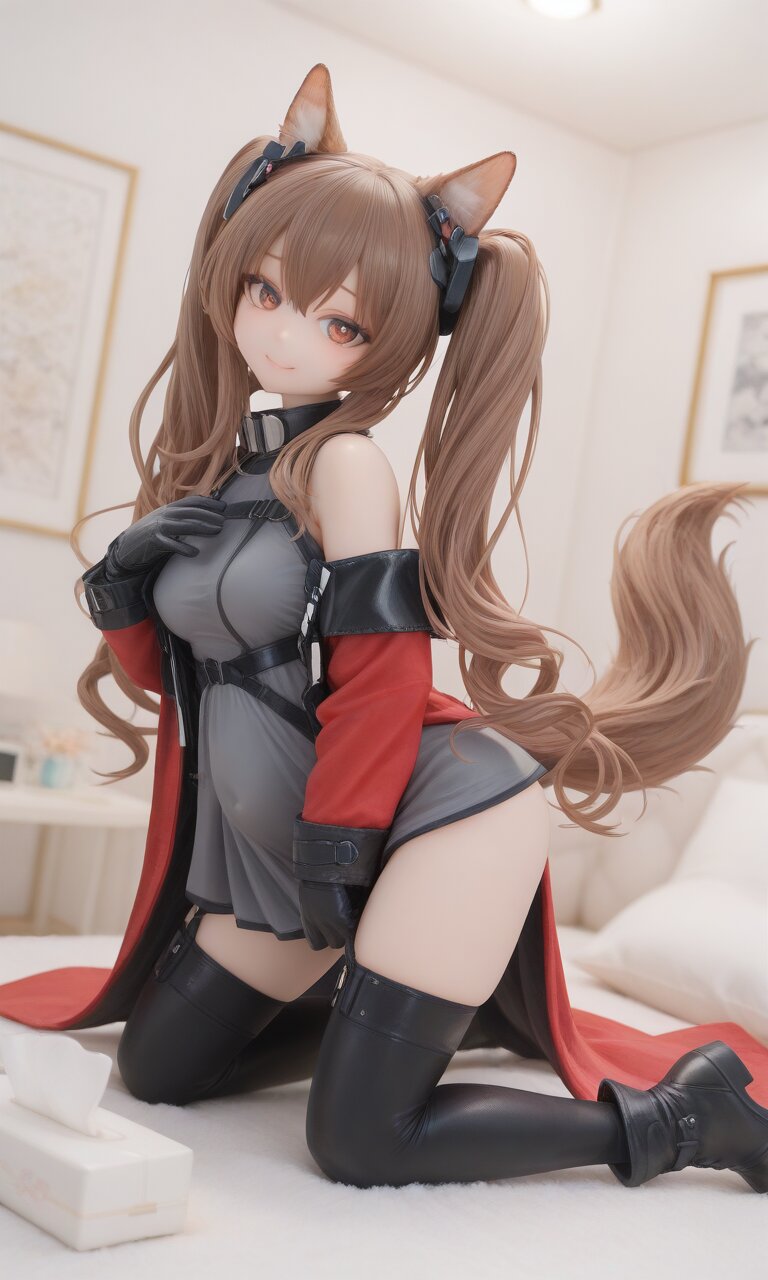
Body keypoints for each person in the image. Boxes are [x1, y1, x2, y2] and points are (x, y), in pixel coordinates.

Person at [1, 63, 766, 1194]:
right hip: (285, 843)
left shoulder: (346, 465)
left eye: (341, 320)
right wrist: (122, 590)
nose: (285, 334)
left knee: (360, 1141)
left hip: (418, 814)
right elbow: (189, 685)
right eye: (266, 290)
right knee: (156, 1070)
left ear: (396, 339)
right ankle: (435, 1016)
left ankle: (688, 1117)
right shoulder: (234, 471)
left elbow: (378, 675)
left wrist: (341, 848)